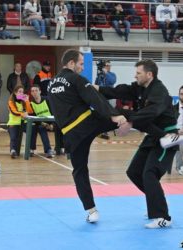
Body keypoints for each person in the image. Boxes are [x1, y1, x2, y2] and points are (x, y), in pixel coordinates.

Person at [95, 59, 183, 229]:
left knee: (150, 173)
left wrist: (129, 121)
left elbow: (150, 112)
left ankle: (163, 216)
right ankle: (155, 202)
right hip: (152, 137)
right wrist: (98, 89)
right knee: (134, 172)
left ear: (149, 74)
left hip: (166, 138)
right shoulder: (140, 88)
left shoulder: (159, 91)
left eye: (138, 73)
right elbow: (122, 90)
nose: (135, 75)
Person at [47, 49, 127, 223]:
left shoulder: (51, 84)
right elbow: (94, 98)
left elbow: (54, 110)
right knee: (126, 116)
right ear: (71, 63)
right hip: (88, 123)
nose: (82, 68)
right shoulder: (76, 79)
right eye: (81, 64)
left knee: (80, 171)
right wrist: (113, 115)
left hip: (71, 134)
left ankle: (91, 211)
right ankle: (161, 131)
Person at [7, 85, 33, 158]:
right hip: (13, 123)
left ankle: (30, 149)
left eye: (22, 92)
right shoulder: (10, 101)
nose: (21, 93)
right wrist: (22, 114)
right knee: (13, 137)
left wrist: (27, 101)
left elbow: (30, 111)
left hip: (23, 123)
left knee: (31, 132)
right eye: (19, 92)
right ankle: (12, 151)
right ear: (15, 93)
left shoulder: (23, 101)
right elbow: (14, 112)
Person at [30, 85, 55, 158]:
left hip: (51, 121)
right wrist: (42, 123)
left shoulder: (47, 100)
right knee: (37, 127)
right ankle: (33, 149)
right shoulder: (31, 104)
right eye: (32, 91)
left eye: (36, 90)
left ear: (40, 91)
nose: (34, 92)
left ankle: (60, 148)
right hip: (40, 122)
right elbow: (33, 117)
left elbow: (54, 112)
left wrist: (52, 124)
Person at [94, 60, 117, 139]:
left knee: (109, 113)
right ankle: (102, 131)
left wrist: (106, 73)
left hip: (110, 97)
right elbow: (96, 84)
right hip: (102, 96)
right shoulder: (100, 75)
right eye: (106, 65)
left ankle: (107, 129)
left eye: (108, 65)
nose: (107, 67)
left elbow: (112, 81)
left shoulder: (112, 75)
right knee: (101, 113)